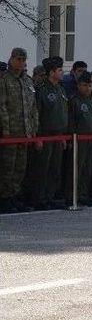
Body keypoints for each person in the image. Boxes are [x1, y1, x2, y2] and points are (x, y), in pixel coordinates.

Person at [0, 48, 38, 213]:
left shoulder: (27, 81)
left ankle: (15, 196)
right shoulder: (4, 80)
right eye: (18, 59)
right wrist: (6, 130)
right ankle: (5, 198)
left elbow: (33, 108)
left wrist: (33, 130)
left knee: (20, 167)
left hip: (25, 132)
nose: (21, 63)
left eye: (23, 60)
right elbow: (2, 107)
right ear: (12, 59)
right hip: (11, 132)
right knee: (8, 167)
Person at [30, 56, 67, 210]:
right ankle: (39, 197)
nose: (62, 72)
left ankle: (50, 196)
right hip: (45, 134)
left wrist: (63, 136)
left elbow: (63, 113)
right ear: (51, 72)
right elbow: (36, 113)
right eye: (59, 70)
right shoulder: (41, 89)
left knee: (55, 168)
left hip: (58, 134)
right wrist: (37, 136)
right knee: (42, 168)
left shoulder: (60, 89)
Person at [65, 71, 92, 206]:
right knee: (75, 168)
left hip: (90, 139)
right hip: (78, 140)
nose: (88, 88)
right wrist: (71, 139)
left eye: (90, 86)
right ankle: (71, 196)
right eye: (85, 85)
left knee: (87, 168)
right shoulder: (74, 100)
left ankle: (83, 194)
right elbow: (71, 121)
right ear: (79, 85)